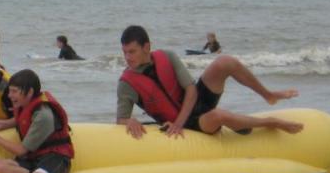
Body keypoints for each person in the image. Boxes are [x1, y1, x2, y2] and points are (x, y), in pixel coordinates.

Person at [116, 24, 303, 139]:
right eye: (125, 52)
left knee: (225, 62)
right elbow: (120, 119)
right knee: (218, 116)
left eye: (132, 51)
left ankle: (268, 95)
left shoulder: (167, 56)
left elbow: (191, 90)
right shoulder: (127, 83)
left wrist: (178, 123)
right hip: (191, 123)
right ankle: (271, 122)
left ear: (146, 47)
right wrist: (129, 121)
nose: (127, 57)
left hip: (192, 105)